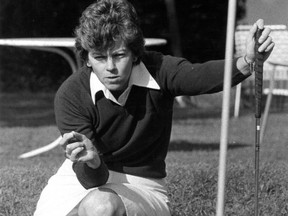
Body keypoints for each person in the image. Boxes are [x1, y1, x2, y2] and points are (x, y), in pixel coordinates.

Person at [34, 0, 274, 215]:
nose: (110, 67)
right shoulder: (72, 94)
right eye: (99, 57)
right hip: (81, 179)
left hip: (141, 183)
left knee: (100, 208)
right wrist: (93, 161)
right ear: (86, 59)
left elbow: (200, 76)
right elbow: (92, 179)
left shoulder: (159, 69)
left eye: (119, 55)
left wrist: (248, 61)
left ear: (135, 52)